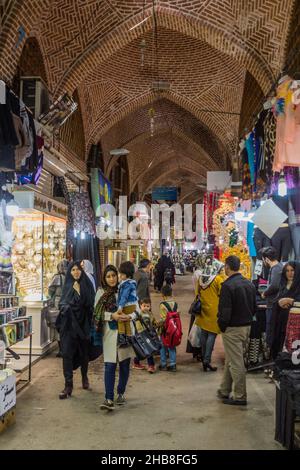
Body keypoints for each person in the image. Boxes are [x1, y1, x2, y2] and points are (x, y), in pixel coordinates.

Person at [94, 265, 135, 411]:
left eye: (113, 275)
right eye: (108, 276)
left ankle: (121, 393)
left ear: (118, 276)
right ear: (104, 278)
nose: (111, 279)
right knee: (110, 366)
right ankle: (109, 398)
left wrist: (128, 316)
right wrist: (112, 316)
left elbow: (135, 309)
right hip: (109, 334)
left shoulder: (124, 289)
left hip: (125, 332)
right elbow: (96, 313)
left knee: (124, 366)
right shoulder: (100, 292)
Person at [217, 255, 256, 406]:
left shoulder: (227, 286)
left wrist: (222, 325)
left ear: (227, 266)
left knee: (236, 362)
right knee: (232, 359)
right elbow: (254, 307)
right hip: (246, 327)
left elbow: (225, 311)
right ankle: (224, 390)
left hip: (232, 328)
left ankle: (240, 396)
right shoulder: (249, 284)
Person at [56, 261, 95, 399]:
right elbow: (61, 303)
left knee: (84, 354)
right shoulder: (67, 285)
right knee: (66, 354)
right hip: (68, 326)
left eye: (78, 269)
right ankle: (68, 386)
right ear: (69, 272)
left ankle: (84, 377)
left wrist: (80, 294)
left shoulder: (86, 284)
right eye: (72, 270)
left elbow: (91, 303)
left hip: (83, 325)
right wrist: (67, 307)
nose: (76, 272)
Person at [194, 258, 225, 372]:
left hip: (203, 309)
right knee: (212, 335)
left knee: (203, 334)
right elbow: (222, 294)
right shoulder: (218, 279)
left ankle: (203, 358)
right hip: (214, 310)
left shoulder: (201, 278)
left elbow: (197, 293)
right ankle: (207, 360)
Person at [270, 261, 300, 359]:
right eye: (287, 271)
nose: (290, 273)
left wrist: (291, 301)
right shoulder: (283, 285)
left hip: (295, 327)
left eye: (292, 270)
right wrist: (279, 302)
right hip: (281, 324)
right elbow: (277, 300)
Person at [260, 247, 283, 349]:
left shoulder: (276, 268)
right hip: (274, 304)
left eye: (263, 259)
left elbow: (274, 285)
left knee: (271, 329)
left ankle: (272, 356)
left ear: (267, 259)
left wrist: (265, 293)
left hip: (273, 304)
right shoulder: (278, 267)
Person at [48, 260, 68, 357]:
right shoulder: (68, 277)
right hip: (66, 302)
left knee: (58, 326)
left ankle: (61, 349)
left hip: (58, 302)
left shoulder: (57, 277)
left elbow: (51, 289)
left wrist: (50, 298)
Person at [116, 261, 139, 347]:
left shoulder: (126, 284)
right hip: (131, 305)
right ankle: (129, 338)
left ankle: (122, 338)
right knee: (127, 322)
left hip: (127, 305)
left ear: (128, 275)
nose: (120, 276)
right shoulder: (130, 283)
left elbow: (124, 297)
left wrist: (120, 306)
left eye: (122, 274)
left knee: (121, 321)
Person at [132, 298, 157, 373]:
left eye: (148, 306)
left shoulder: (150, 314)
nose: (146, 308)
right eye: (144, 306)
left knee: (148, 349)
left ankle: (148, 365)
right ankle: (147, 365)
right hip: (140, 334)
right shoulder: (138, 314)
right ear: (140, 306)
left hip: (148, 334)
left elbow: (153, 322)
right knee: (142, 349)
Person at [158, 285, 178, 372]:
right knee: (172, 346)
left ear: (162, 295)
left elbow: (163, 319)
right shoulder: (175, 304)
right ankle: (173, 364)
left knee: (162, 346)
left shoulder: (162, 305)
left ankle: (163, 364)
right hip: (174, 329)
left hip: (165, 329)